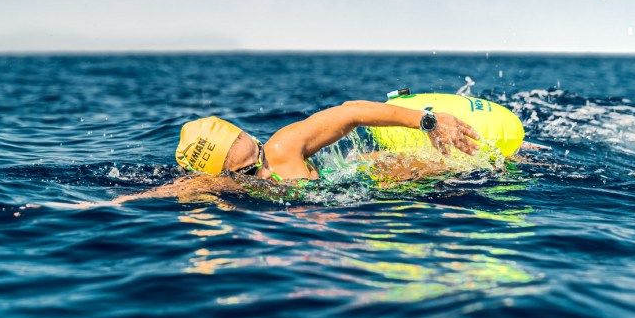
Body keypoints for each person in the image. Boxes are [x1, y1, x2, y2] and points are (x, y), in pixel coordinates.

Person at [176, 99, 480, 181]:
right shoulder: (213, 186)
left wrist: (429, 122)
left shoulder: (282, 147)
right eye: (251, 170)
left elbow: (352, 112)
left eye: (259, 153)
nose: (266, 170)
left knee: (445, 170)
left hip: (355, 179)